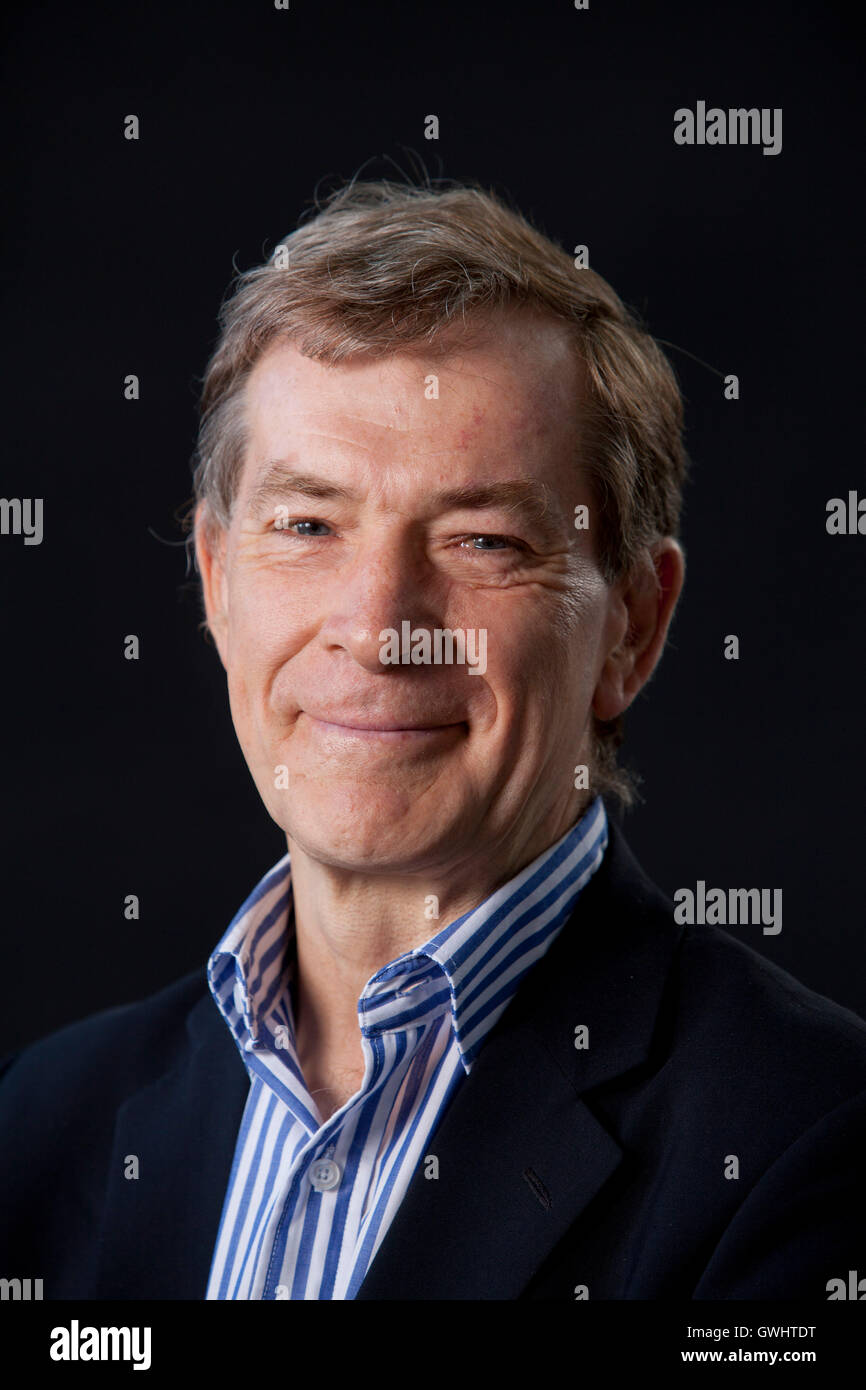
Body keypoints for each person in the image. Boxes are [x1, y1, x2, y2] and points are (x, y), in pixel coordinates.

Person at [1, 178, 864, 1301]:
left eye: (482, 540)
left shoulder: (809, 1142)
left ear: (630, 628)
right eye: (307, 525)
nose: (376, 626)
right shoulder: (37, 1123)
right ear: (215, 580)